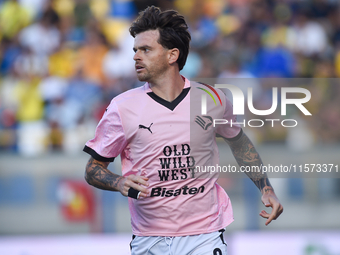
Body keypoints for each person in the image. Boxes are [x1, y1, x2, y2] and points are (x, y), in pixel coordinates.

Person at [83, 6, 283, 255]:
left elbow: (240, 144)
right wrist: (119, 182)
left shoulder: (213, 99)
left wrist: (266, 188)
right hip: (149, 239)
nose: (136, 56)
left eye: (145, 49)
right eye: (135, 50)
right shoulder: (122, 107)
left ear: (172, 55)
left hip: (204, 236)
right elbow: (92, 169)